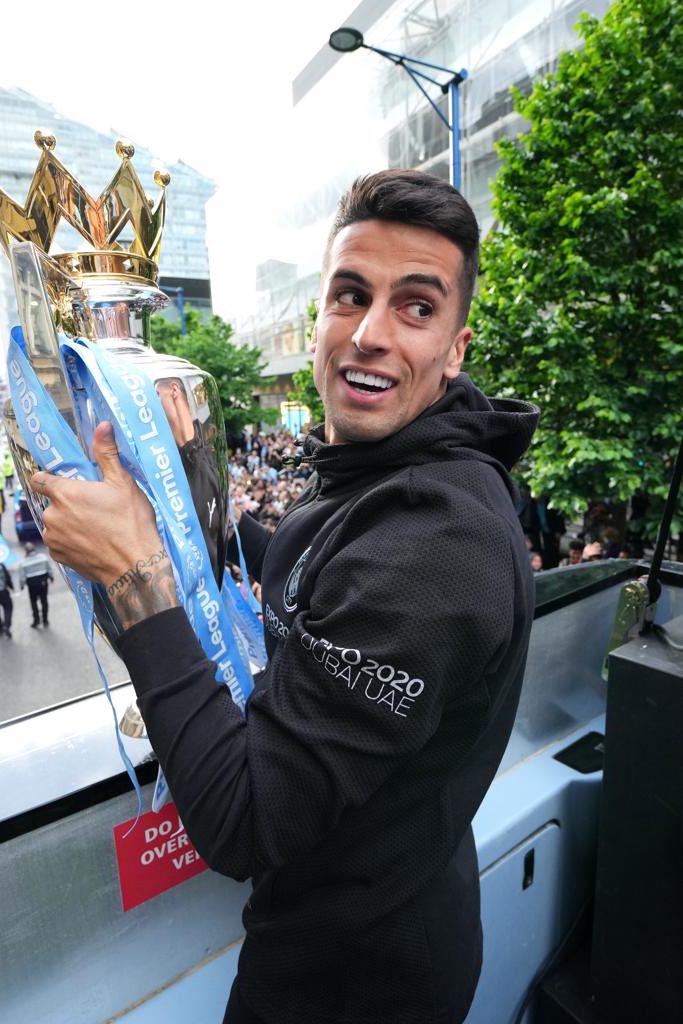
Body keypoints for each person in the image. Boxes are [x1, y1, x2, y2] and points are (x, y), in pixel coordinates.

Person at [30, 169, 539, 1024]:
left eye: (416, 308)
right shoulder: (375, 471)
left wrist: (132, 577)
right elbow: (314, 582)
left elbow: (244, 822)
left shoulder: (439, 545)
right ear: (319, 318)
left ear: (455, 350)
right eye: (350, 295)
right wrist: (189, 512)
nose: (371, 333)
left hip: (354, 983)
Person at [19, 541, 53, 628]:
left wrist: (22, 585)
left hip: (32, 584)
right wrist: (51, 577)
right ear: (34, 549)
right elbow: (49, 568)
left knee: (33, 602)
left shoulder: (23, 562)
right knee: (44, 601)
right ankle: (45, 620)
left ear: (26, 551)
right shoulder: (43, 557)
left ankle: (36, 620)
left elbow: (22, 576)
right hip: (43, 583)